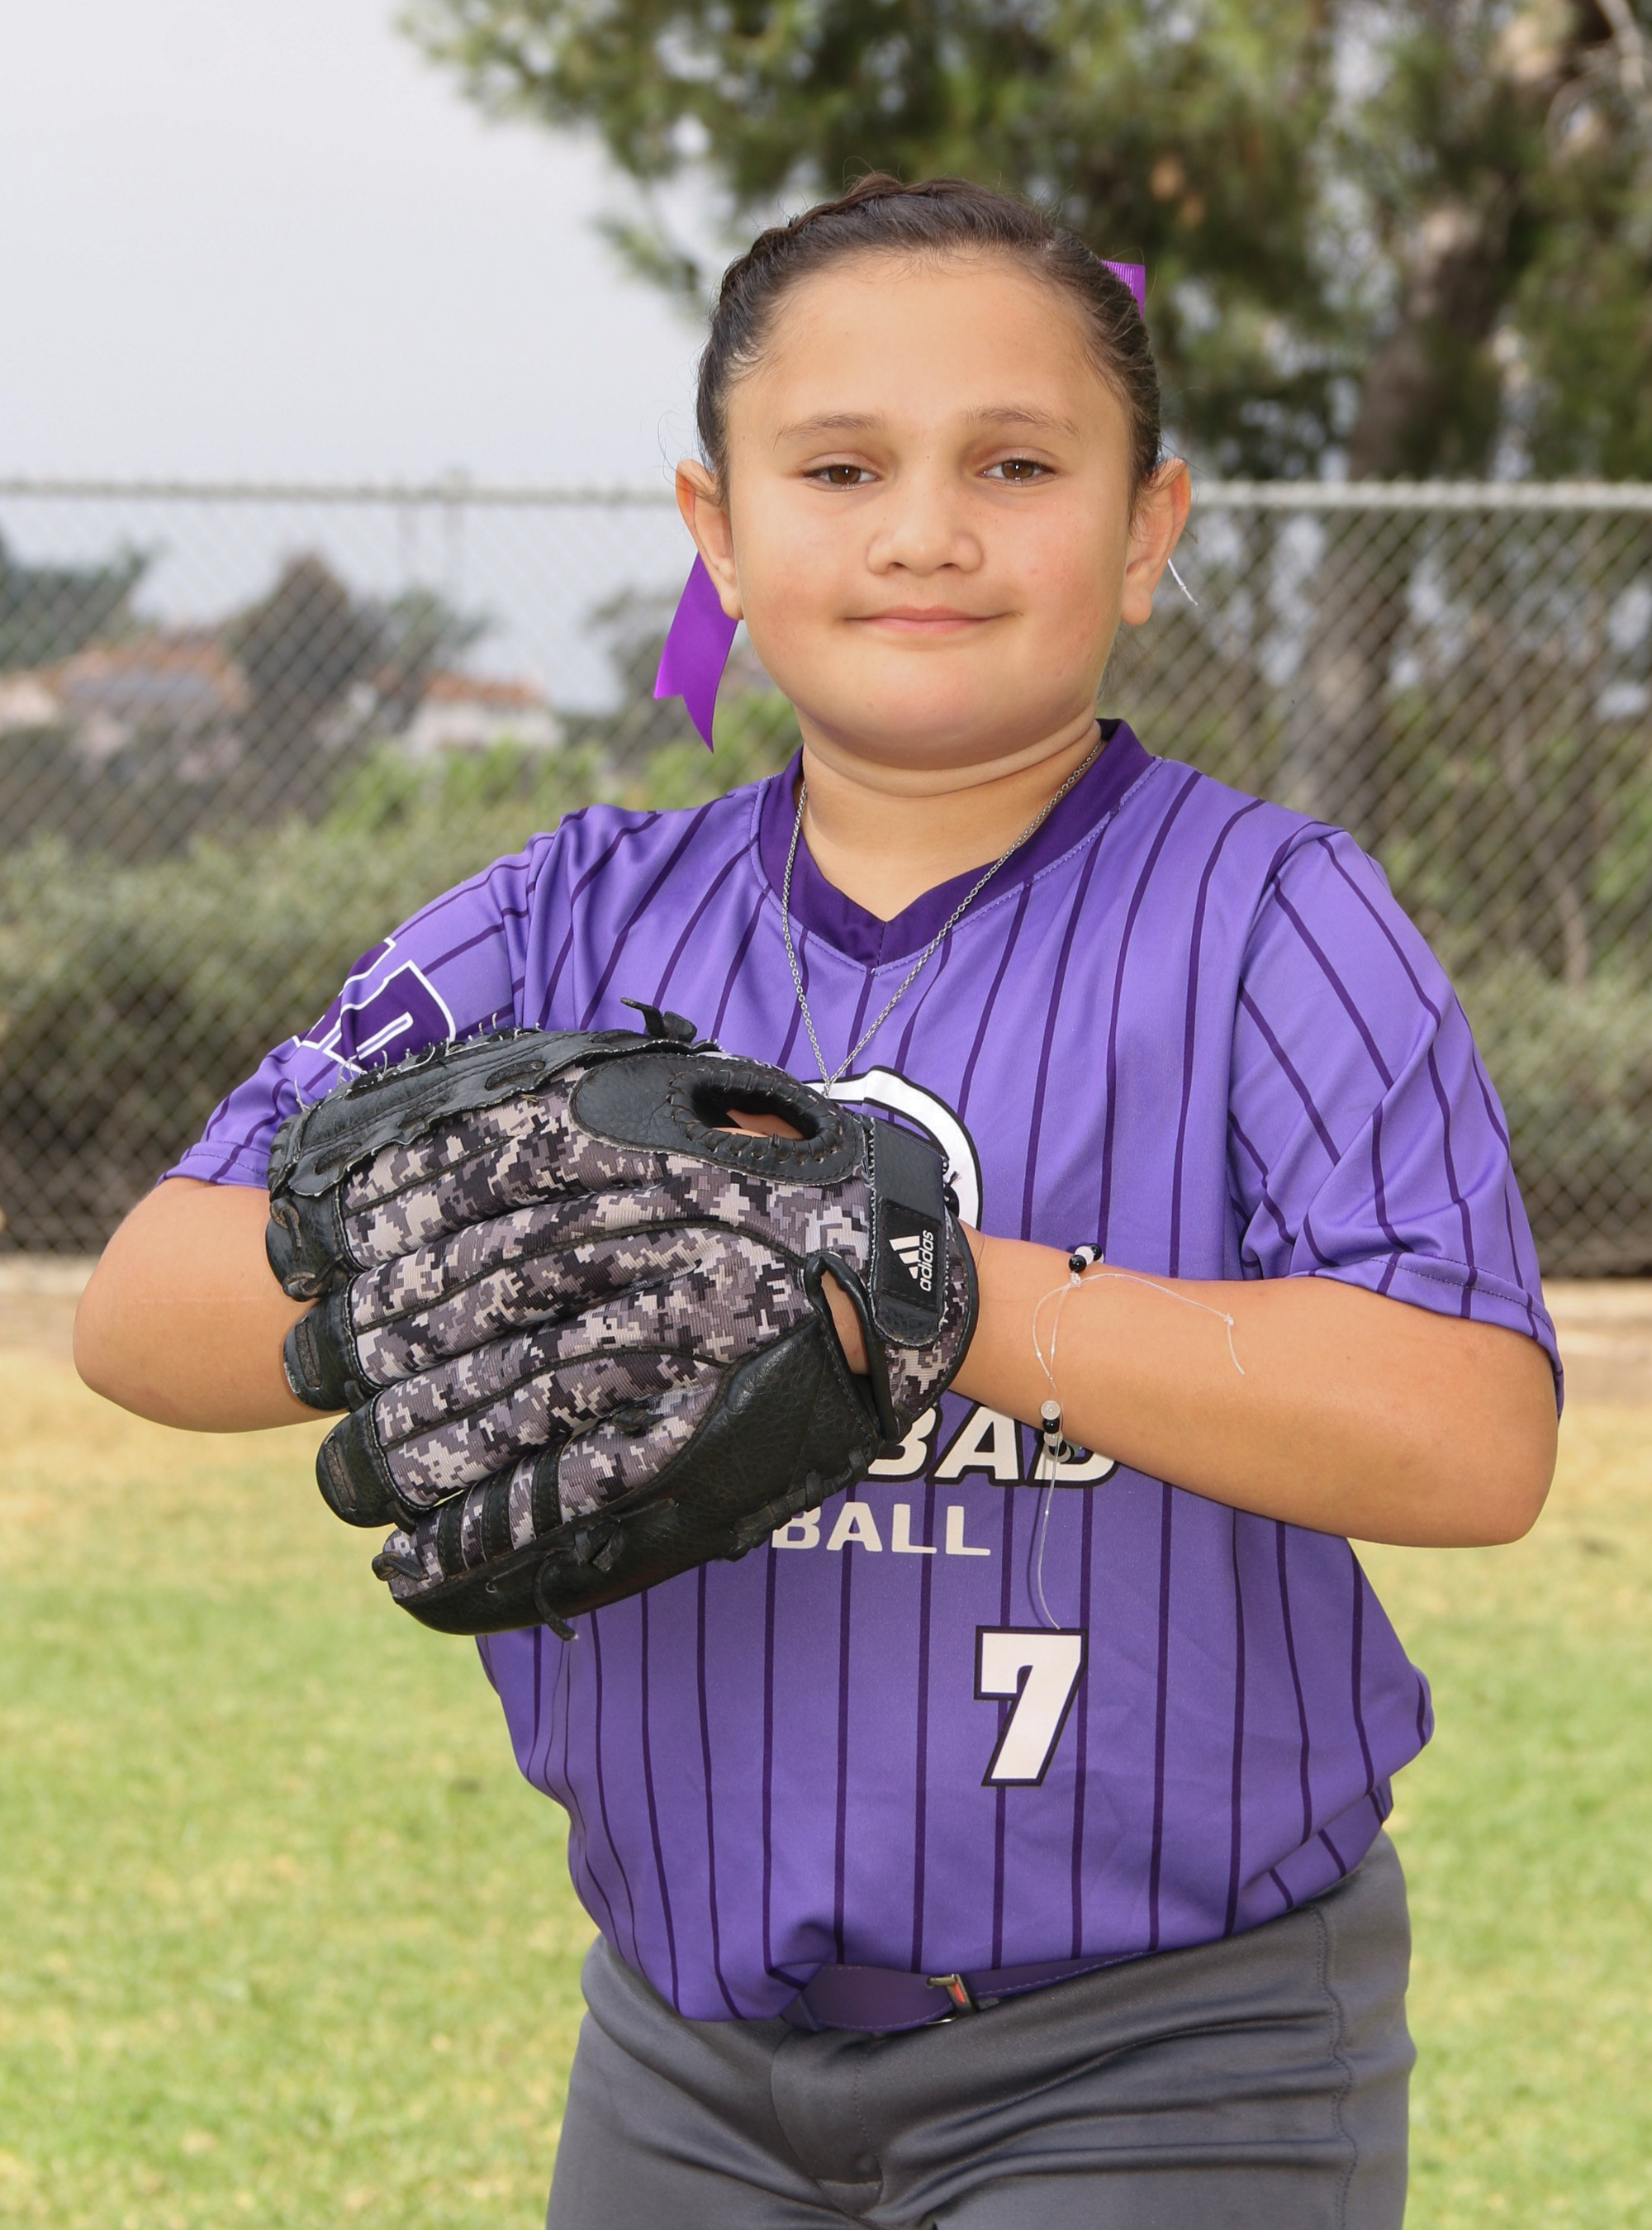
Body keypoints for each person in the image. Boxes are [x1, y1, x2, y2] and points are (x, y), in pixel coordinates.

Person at [76, 174, 1559, 2228]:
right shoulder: (565, 920)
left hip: (1165, 2051)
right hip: (683, 2052)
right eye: (840, 466)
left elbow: (1470, 1429)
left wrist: (922, 1287)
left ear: (1149, 529)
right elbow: (139, 1307)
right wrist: (522, 1242)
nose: (923, 530)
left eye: (1015, 464)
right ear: (717, 530)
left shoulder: (1274, 917)